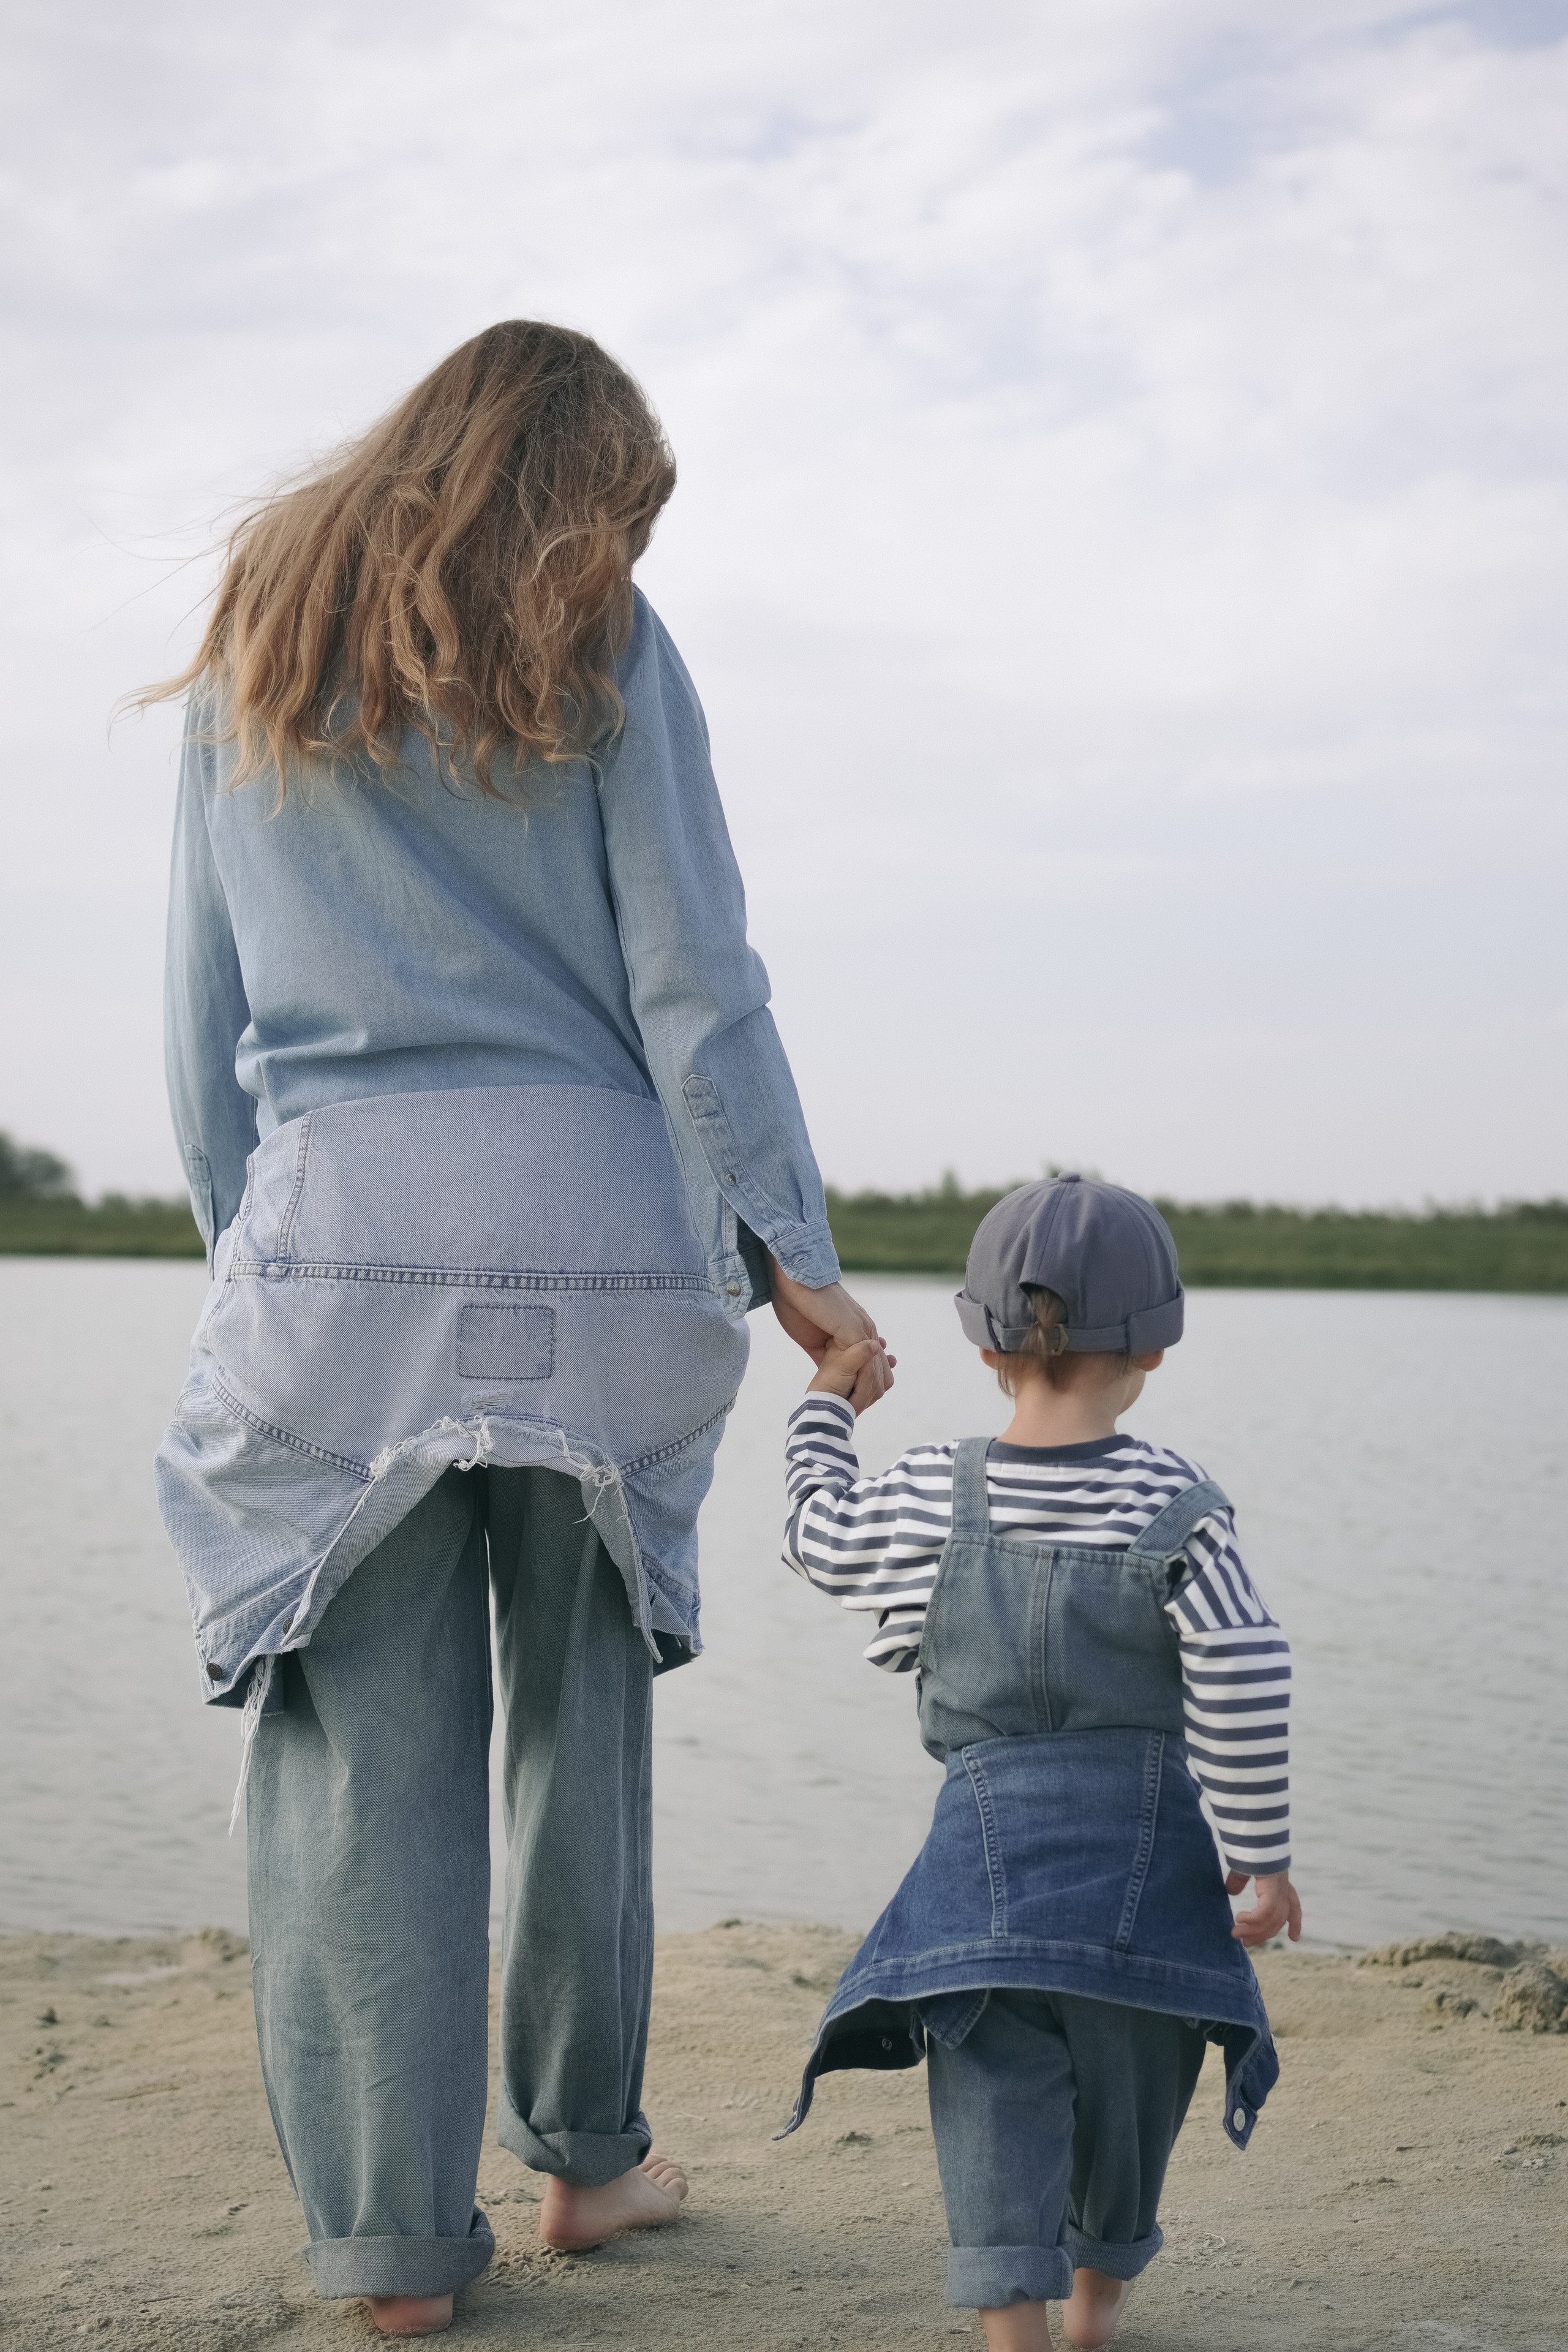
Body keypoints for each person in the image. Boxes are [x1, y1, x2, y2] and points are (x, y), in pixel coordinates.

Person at [141, 320, 891, 2339]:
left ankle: (391, 2252)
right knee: (584, 1725)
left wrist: (260, 1257)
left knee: (353, 1748)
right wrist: (790, 1254)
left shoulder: (263, 630)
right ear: (580, 494)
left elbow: (203, 1019)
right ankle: (589, 2165)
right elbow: (697, 981)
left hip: (340, 1250)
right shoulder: (621, 649)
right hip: (608, 1255)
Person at [777, 1174, 1298, 2351]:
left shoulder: (931, 1494)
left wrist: (824, 1408)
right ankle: (1096, 2314)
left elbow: (816, 1535)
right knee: (1135, 2094)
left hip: (986, 1878)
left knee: (990, 2102)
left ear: (984, 1349)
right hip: (1147, 1878)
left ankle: (1013, 2328)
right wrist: (1261, 1859)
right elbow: (1246, 1668)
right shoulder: (1178, 1502)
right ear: (1155, 1349)